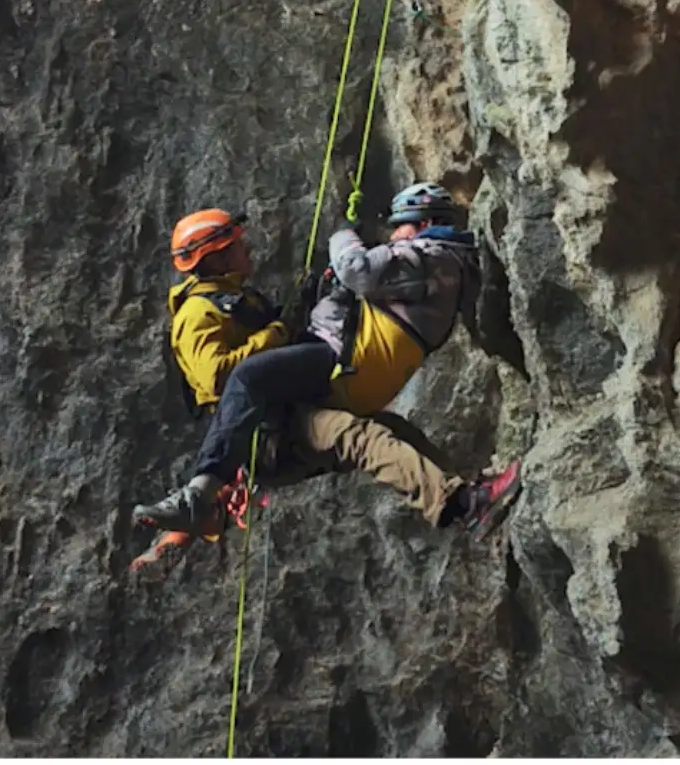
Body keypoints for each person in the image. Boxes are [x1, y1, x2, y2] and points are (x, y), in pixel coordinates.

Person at [133, 187, 521, 547]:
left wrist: (303, 308)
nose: (246, 248)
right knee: (343, 429)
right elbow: (222, 378)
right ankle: (199, 498)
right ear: (215, 256)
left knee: (384, 432)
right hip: (264, 431)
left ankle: (465, 498)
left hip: (283, 415)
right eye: (236, 244)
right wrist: (281, 329)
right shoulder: (197, 312)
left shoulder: (238, 301)